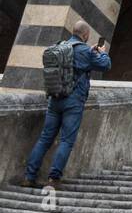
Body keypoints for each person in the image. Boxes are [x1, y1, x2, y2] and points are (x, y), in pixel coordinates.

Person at [22, 20, 111, 187]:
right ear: (86, 35)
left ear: (73, 31)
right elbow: (106, 65)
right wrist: (102, 52)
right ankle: (53, 178)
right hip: (73, 101)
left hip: (55, 98)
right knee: (66, 140)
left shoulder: (60, 46)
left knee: (44, 139)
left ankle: (29, 176)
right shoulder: (85, 50)